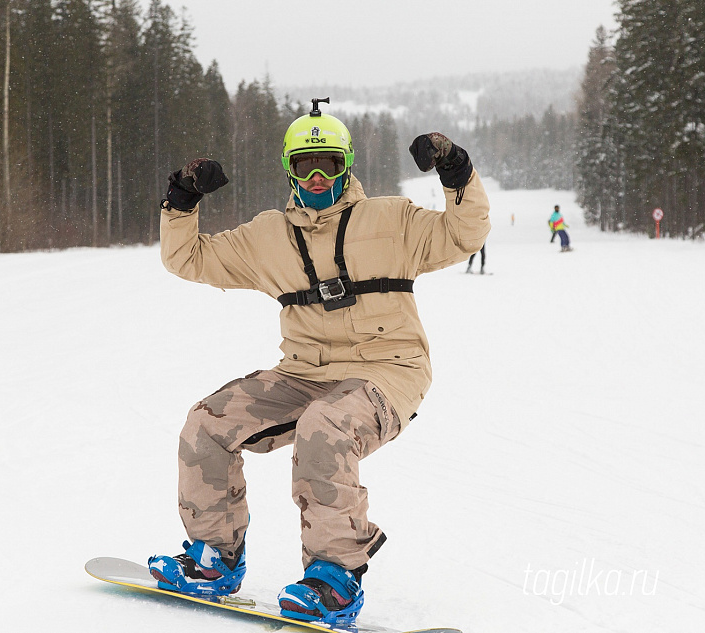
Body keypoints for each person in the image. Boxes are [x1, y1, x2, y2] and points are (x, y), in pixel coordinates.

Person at [148, 98, 490, 625]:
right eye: (304, 166)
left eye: (327, 164)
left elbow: (464, 234)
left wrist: (456, 170)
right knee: (206, 424)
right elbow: (186, 258)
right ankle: (213, 557)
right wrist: (182, 200)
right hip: (303, 373)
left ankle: (335, 577)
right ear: (288, 168)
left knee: (324, 427)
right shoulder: (267, 237)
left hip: (388, 371)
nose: (314, 176)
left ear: (346, 165)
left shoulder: (391, 220)